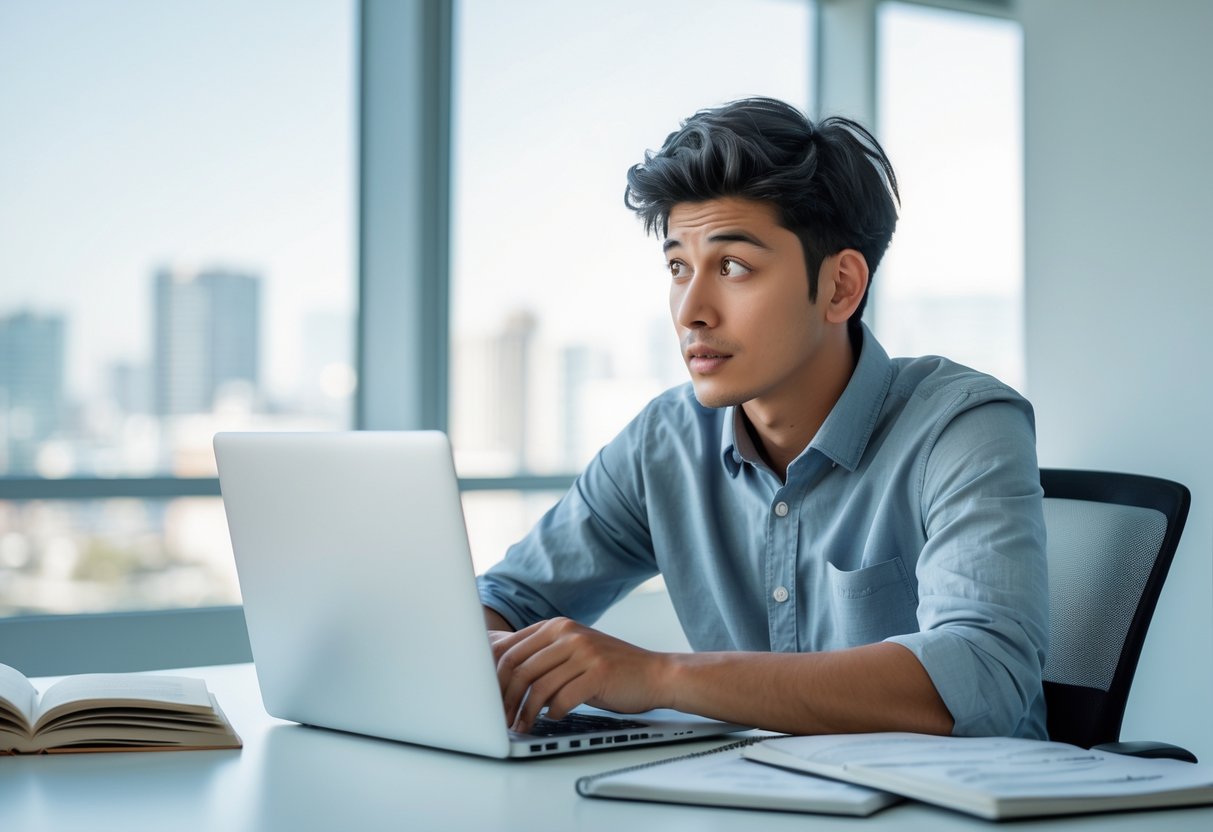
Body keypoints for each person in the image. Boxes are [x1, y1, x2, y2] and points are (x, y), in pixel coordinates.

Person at [477, 97, 1048, 740]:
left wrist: (662, 677)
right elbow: (502, 603)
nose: (691, 310)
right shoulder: (664, 442)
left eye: (732, 267)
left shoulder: (964, 428)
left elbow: (982, 676)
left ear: (840, 288)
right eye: (677, 267)